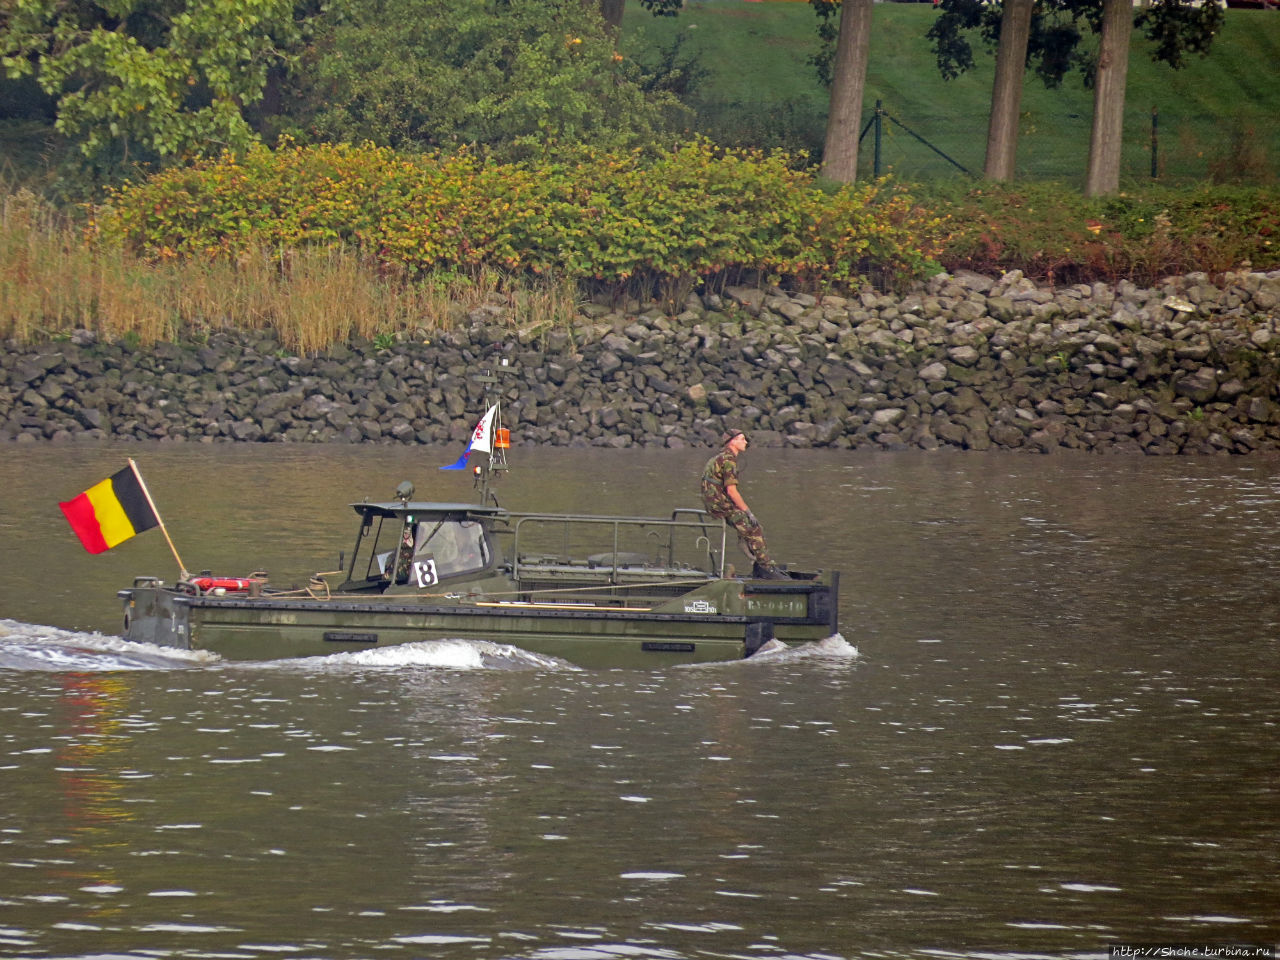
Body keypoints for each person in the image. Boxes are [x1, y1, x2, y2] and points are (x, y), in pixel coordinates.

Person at [700, 430, 788, 579]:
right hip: (719, 503)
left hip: (713, 502)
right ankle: (766, 568)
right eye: (742, 439)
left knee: (746, 525)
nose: (745, 442)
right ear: (733, 442)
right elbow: (732, 491)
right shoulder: (729, 461)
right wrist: (748, 511)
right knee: (754, 527)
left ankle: (757, 560)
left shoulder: (720, 457)